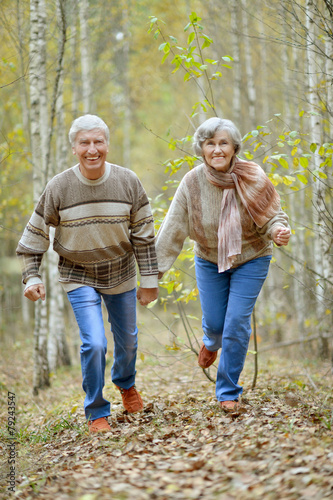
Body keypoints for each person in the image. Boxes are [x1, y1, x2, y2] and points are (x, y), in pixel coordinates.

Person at [17, 114, 159, 433]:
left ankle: (125, 383)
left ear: (107, 145)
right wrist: (32, 276)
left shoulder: (128, 181)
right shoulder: (60, 187)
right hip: (77, 274)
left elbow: (144, 235)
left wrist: (149, 282)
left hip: (121, 272)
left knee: (128, 343)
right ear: (74, 148)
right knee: (94, 343)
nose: (92, 149)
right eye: (85, 143)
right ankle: (96, 410)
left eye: (98, 142)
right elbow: (33, 236)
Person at [155, 117, 290, 411]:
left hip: (252, 256)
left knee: (236, 323)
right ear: (202, 149)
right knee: (216, 325)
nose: (217, 149)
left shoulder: (253, 175)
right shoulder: (192, 182)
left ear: (234, 147)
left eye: (223, 143)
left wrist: (278, 231)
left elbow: (273, 215)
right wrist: (153, 274)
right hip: (208, 258)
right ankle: (210, 341)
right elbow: (173, 229)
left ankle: (227, 390)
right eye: (210, 143)